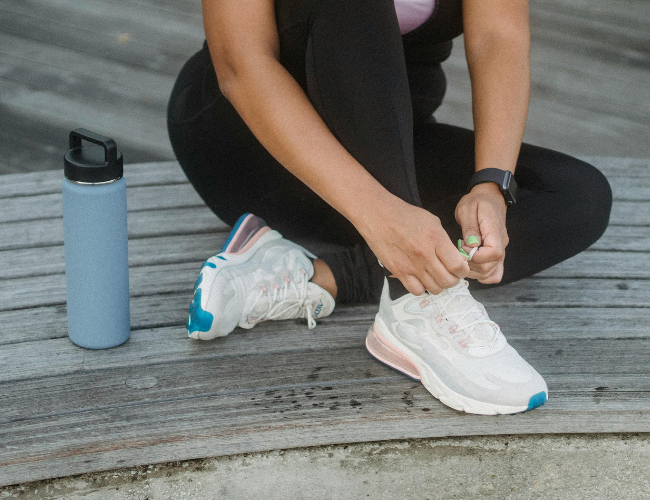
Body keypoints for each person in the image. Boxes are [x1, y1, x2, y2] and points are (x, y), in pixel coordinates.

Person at [167, 0, 612, 415]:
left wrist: (490, 186)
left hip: (388, 151)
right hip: (252, 148)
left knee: (574, 195)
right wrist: (382, 215)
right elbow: (242, 66)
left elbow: (499, 35)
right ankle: (416, 299)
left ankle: (325, 275)